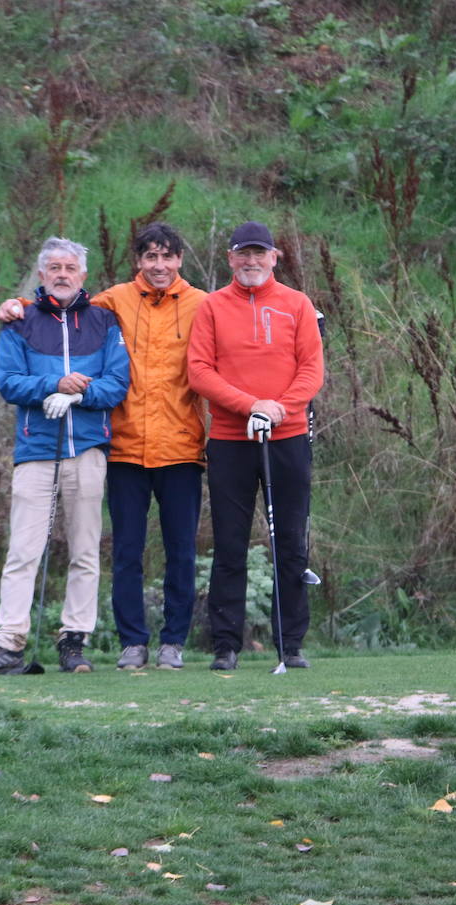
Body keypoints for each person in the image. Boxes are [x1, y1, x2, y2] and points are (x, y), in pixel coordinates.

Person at [0, 223, 207, 670]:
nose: (158, 265)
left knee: (180, 552)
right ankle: (133, 642)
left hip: (181, 446)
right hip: (125, 448)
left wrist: (309, 318)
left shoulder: (202, 305)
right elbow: (55, 308)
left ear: (179, 261)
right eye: (150, 257)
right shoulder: (112, 303)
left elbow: (236, 334)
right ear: (138, 261)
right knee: (125, 551)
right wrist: (14, 305)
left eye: (167, 257)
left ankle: (173, 641)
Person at [0, 237, 130, 676]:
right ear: (41, 275)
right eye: (53, 267)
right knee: (23, 550)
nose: (62, 274)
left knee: (85, 551)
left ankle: (74, 641)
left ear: (83, 275)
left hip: (88, 450)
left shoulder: (104, 322)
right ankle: (8, 643)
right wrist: (52, 387)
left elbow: (117, 384)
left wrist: (81, 393)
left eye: (70, 267)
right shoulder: (20, 322)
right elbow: (9, 382)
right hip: (36, 449)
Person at [186, 221, 324, 671]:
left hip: (286, 439)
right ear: (230, 259)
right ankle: (226, 644)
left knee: (289, 541)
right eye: (242, 254)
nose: (251, 261)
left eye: (258, 253)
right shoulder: (211, 307)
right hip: (230, 440)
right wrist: (251, 406)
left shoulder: (297, 304)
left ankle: (291, 644)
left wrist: (279, 409)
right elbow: (200, 372)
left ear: (273, 257)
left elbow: (311, 371)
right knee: (229, 544)